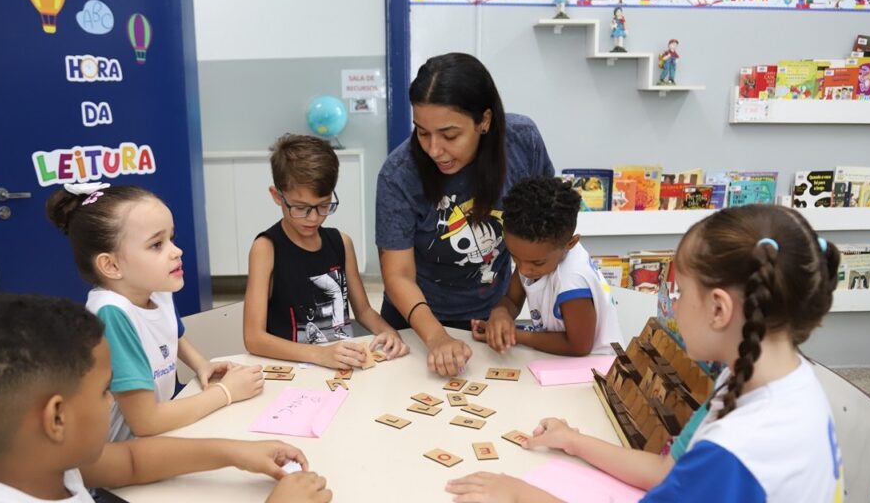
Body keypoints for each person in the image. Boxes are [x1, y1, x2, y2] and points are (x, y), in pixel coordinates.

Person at [446, 204, 844, 502]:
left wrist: (520, 495)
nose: (670, 304)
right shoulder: (765, 378)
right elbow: (666, 472)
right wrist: (574, 440)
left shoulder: (734, 451)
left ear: (719, 309)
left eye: (680, 293)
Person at [0, 294, 333, 503]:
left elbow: (131, 460)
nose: (112, 401)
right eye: (105, 390)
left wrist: (235, 452)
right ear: (56, 418)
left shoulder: (33, 464)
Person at [377, 52, 554, 377]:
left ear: (484, 121)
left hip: (489, 319)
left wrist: (507, 307)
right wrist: (436, 337)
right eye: (422, 131)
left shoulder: (521, 142)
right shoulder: (399, 174)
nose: (433, 149)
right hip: (415, 324)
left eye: (449, 135)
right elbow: (398, 275)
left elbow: (544, 240)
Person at [47, 184, 264, 442]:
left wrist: (201, 364)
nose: (176, 251)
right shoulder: (112, 314)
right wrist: (226, 393)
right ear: (111, 265)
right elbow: (146, 421)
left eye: (171, 238)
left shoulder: (154, 288)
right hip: (117, 458)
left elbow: (173, 335)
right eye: (156, 245)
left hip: (152, 440)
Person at [244, 134, 409, 369]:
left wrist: (388, 332)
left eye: (323, 205)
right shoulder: (266, 248)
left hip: (343, 367)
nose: (313, 218)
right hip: (294, 371)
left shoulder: (341, 242)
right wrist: (320, 355)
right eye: (301, 208)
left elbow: (363, 310)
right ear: (277, 196)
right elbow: (254, 338)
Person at [471, 176, 623, 356]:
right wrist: (500, 314)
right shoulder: (536, 254)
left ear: (570, 243)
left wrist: (512, 335)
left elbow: (579, 347)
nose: (525, 269)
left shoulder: (571, 280)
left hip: (596, 367)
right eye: (515, 258)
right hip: (561, 360)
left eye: (537, 263)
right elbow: (512, 300)